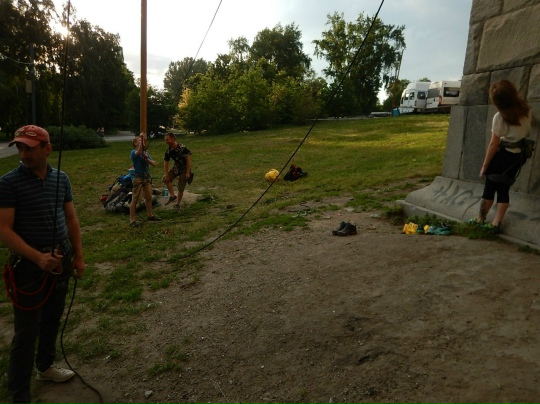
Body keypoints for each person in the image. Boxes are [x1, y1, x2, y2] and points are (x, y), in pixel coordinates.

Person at [0, 125, 86, 404]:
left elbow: (71, 218)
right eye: (20, 147)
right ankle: (20, 394)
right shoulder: (9, 183)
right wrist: (37, 258)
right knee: (26, 332)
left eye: (29, 148)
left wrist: (78, 256)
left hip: (60, 260)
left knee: (52, 319)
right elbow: (3, 230)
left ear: (47, 149)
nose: (23, 153)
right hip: (28, 267)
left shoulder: (61, 178)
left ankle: (45, 367)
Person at [474, 80, 532, 232]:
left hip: (504, 155)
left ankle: (480, 220)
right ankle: (496, 223)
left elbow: (494, 144)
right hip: (518, 156)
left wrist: (484, 167)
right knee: (503, 189)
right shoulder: (526, 110)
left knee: (489, 189)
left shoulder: (500, 117)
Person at [129, 132, 162, 226]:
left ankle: (150, 215)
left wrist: (147, 158)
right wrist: (142, 138)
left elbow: (154, 164)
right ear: (135, 143)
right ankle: (132, 220)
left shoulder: (146, 153)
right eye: (139, 140)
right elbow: (138, 152)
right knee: (135, 199)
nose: (142, 141)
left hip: (146, 178)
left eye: (142, 140)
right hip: (138, 178)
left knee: (149, 197)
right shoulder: (133, 152)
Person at [162, 133, 192, 212]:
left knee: (181, 187)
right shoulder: (168, 151)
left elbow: (188, 160)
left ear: (172, 139)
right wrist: (167, 174)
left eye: (167, 140)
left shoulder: (182, 148)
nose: (166, 142)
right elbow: (165, 163)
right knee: (165, 179)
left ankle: (177, 204)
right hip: (176, 167)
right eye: (165, 140)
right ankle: (172, 196)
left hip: (184, 168)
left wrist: (187, 172)